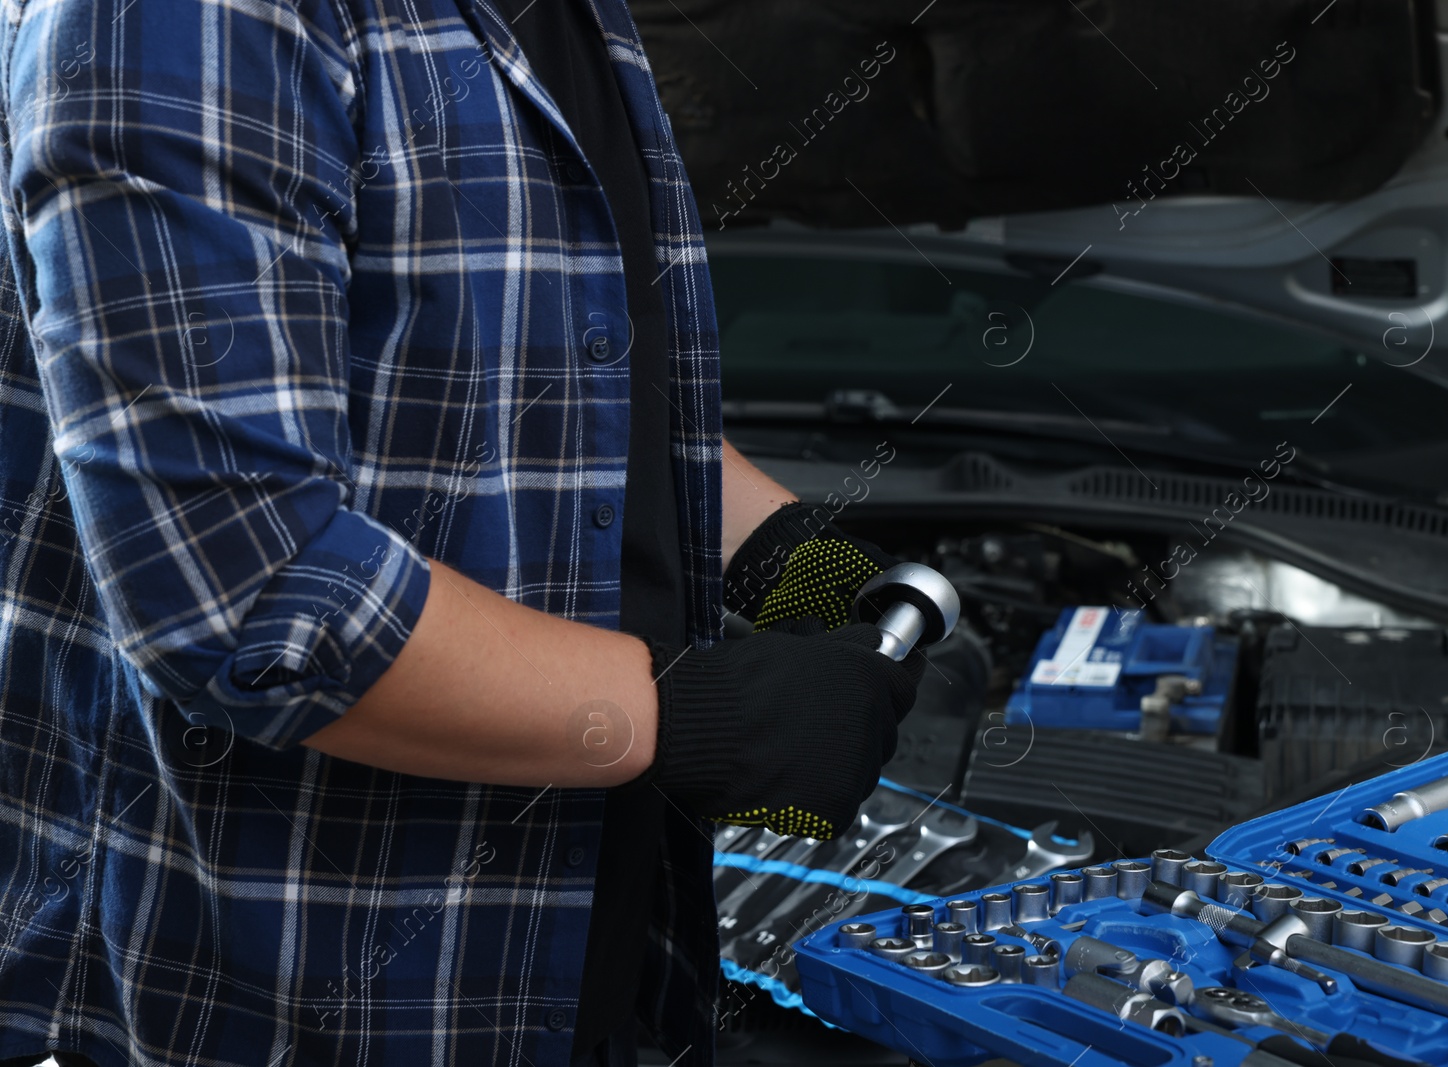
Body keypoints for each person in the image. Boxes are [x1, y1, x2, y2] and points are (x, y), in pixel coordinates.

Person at [0, 0, 923, 1061]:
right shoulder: (187, 18)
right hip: (300, 996)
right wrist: (700, 716)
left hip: (584, 956)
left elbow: (561, 394)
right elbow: (248, 594)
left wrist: (795, 564)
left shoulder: (572, 19)